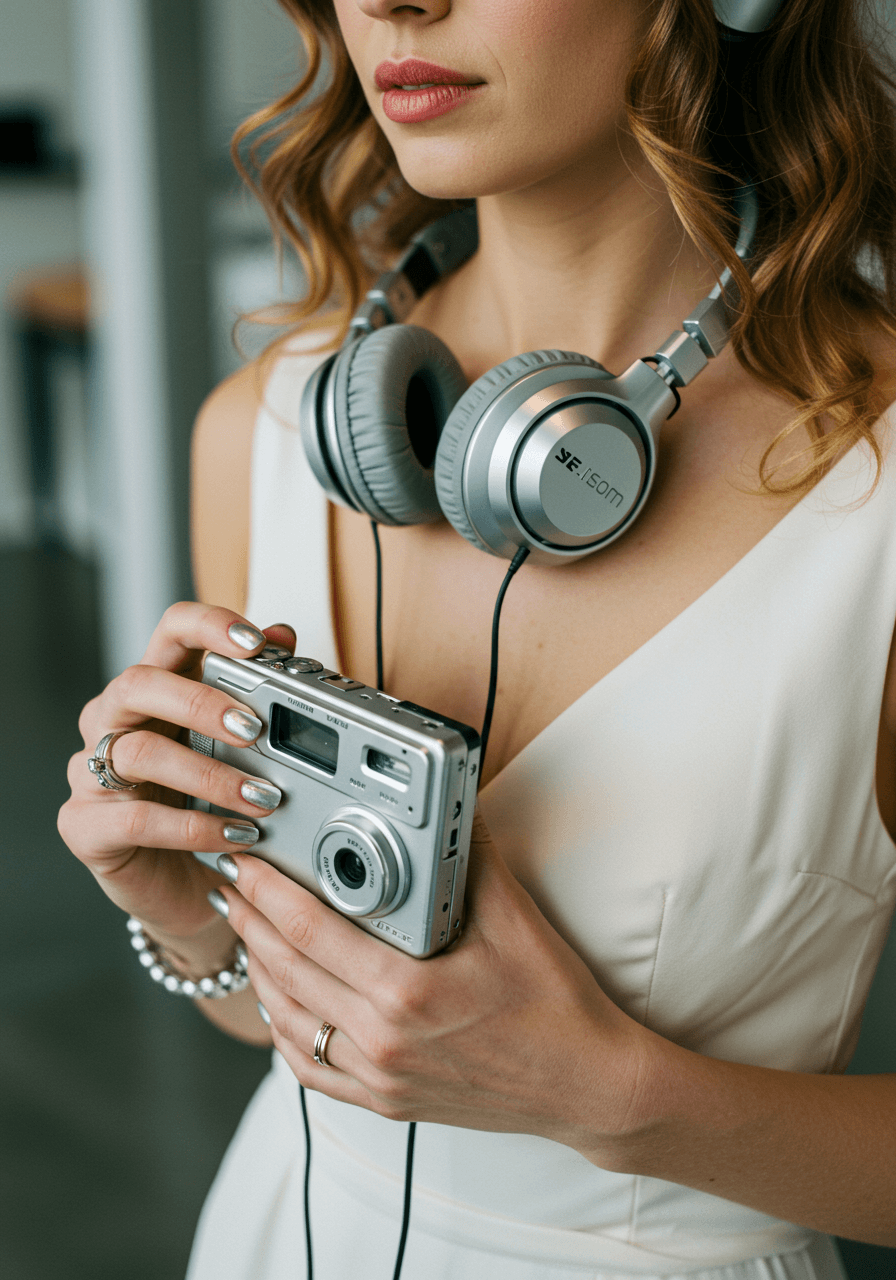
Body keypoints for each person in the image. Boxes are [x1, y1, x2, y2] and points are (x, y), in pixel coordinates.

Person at [59, 0, 896, 1276]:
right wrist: (187, 922)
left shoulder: (877, 487)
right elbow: (299, 1028)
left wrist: (611, 1094)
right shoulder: (266, 432)